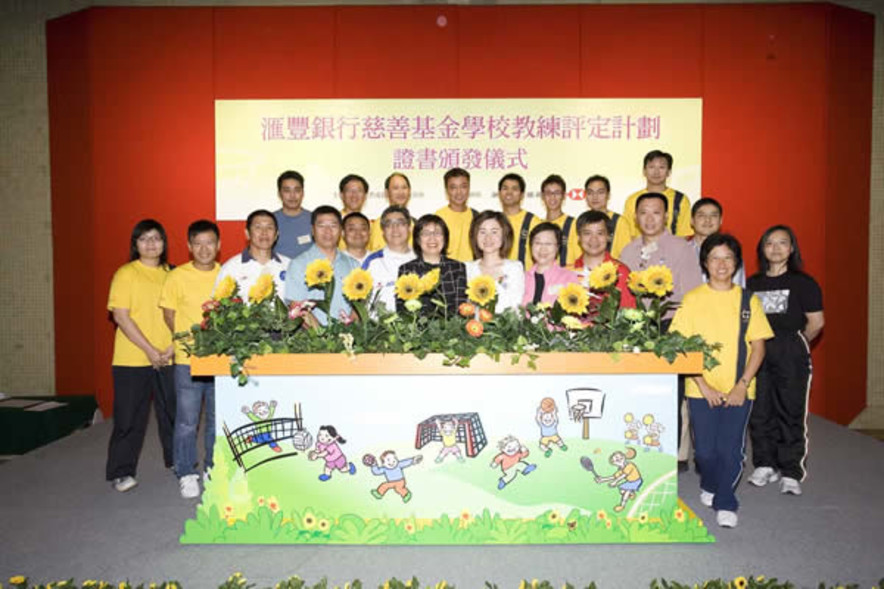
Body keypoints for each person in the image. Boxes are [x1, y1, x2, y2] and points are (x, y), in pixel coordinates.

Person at [670, 233, 774, 528]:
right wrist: (703, 384)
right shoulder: (692, 300)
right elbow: (680, 346)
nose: (721, 264)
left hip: (739, 389)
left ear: (736, 263)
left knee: (731, 448)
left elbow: (759, 346)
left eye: (727, 258)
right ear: (705, 262)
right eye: (714, 257)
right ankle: (712, 483)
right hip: (700, 388)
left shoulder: (747, 300)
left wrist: (742, 385)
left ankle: (726, 500)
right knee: (704, 451)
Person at [747, 225, 824, 496]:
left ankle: (791, 470)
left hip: (790, 351)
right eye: (770, 243)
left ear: (792, 249)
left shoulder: (804, 283)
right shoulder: (752, 283)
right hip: (758, 352)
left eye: (782, 243)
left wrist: (795, 343)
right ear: (762, 249)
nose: (776, 248)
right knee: (760, 410)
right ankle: (765, 463)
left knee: (791, 410)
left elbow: (816, 323)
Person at [105, 219, 175, 493]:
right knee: (129, 417)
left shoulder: (173, 273)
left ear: (164, 243)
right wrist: (149, 350)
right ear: (136, 244)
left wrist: (170, 348)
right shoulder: (126, 274)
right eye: (144, 239)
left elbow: (181, 314)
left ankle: (176, 463)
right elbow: (120, 316)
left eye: (156, 238)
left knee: (173, 413)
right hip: (132, 359)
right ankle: (121, 472)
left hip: (169, 356)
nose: (151, 244)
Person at [159, 220, 221, 499]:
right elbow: (169, 315)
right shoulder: (176, 277)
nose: (204, 248)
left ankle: (212, 466)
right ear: (189, 246)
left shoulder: (226, 275)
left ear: (218, 246)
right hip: (188, 360)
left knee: (217, 419)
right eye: (198, 243)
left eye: (210, 242)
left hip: (220, 359)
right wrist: (187, 343)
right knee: (186, 420)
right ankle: (186, 472)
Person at [618, 193, 702, 319]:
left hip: (671, 325)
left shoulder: (682, 248)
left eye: (656, 213)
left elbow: (693, 294)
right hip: (634, 326)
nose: (649, 219)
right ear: (635, 217)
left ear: (666, 216)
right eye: (644, 213)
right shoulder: (628, 251)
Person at [285, 206, 360, 326]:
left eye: (333, 225)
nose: (328, 231)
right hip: (313, 340)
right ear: (313, 231)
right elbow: (297, 307)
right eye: (321, 226)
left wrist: (349, 332)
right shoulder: (299, 264)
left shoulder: (353, 264)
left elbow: (359, 305)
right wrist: (323, 337)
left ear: (341, 230)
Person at [612, 150, 693, 257]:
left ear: (669, 172)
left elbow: (684, 235)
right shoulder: (633, 200)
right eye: (651, 167)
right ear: (644, 171)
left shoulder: (681, 200)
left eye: (661, 167)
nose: (656, 172)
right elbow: (629, 235)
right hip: (639, 255)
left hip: (671, 256)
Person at [398, 214, 467, 317]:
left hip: (451, 330)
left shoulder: (458, 268)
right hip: (417, 331)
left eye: (437, 233)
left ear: (445, 238)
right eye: (425, 233)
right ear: (417, 239)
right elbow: (402, 311)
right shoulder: (406, 269)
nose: (432, 238)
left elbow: (461, 310)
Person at [216, 209, 290, 298]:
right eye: (258, 227)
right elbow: (218, 305)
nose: (264, 232)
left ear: (276, 235)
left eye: (269, 228)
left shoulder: (288, 265)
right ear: (247, 233)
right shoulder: (231, 267)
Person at [571, 211, 636, 309]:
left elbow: (629, 313)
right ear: (579, 237)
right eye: (587, 233)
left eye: (600, 233)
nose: (594, 239)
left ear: (609, 237)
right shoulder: (568, 272)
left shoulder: (621, 272)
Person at [465, 210, 524, 313]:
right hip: (474, 327)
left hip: (506, 327)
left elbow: (516, 307)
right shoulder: (467, 268)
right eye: (482, 232)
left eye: (494, 232)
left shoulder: (514, 268)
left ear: (504, 235)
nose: (488, 237)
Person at [362, 206, 415, 314]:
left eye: (400, 223)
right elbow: (361, 302)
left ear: (409, 228)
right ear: (383, 231)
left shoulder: (421, 258)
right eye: (389, 224)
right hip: (379, 328)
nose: (395, 228)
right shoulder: (372, 261)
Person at [688, 197, 745, 287]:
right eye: (701, 216)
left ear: (721, 221)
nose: (707, 220)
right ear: (692, 221)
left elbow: (738, 287)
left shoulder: (732, 251)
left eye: (713, 216)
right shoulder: (681, 251)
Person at [522, 223, 581, 306]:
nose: (543, 248)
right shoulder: (522, 278)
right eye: (538, 243)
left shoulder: (569, 277)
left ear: (557, 247)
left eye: (548, 244)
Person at [498, 173, 541, 270]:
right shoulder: (493, 221)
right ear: (499, 193)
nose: (509, 192)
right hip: (497, 280)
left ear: (522, 195)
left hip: (526, 281)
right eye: (505, 188)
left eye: (514, 189)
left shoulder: (534, 222)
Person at [435, 168, 477, 262]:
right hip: (446, 271)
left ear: (469, 188)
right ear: (446, 190)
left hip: (472, 273)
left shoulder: (477, 217)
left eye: (463, 186)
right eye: (453, 187)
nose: (459, 192)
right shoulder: (438, 218)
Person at [540, 174, 581, 267]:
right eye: (548, 193)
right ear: (542, 196)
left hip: (567, 279)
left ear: (563, 196)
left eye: (557, 193)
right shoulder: (537, 225)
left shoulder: (573, 224)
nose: (552, 197)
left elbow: (579, 259)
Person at [583, 175, 629, 257]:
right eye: (590, 193)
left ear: (608, 195)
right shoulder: (582, 221)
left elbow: (626, 255)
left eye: (600, 192)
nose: (595, 197)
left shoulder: (619, 222)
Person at [273, 170, 312, 260]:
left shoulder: (314, 219)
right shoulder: (270, 220)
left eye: (297, 190)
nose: (292, 195)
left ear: (303, 193)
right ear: (279, 194)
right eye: (287, 191)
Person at [368, 172, 413, 251]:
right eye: (395, 188)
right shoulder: (379, 224)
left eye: (404, 188)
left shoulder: (415, 224)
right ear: (386, 193)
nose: (400, 192)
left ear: (409, 192)